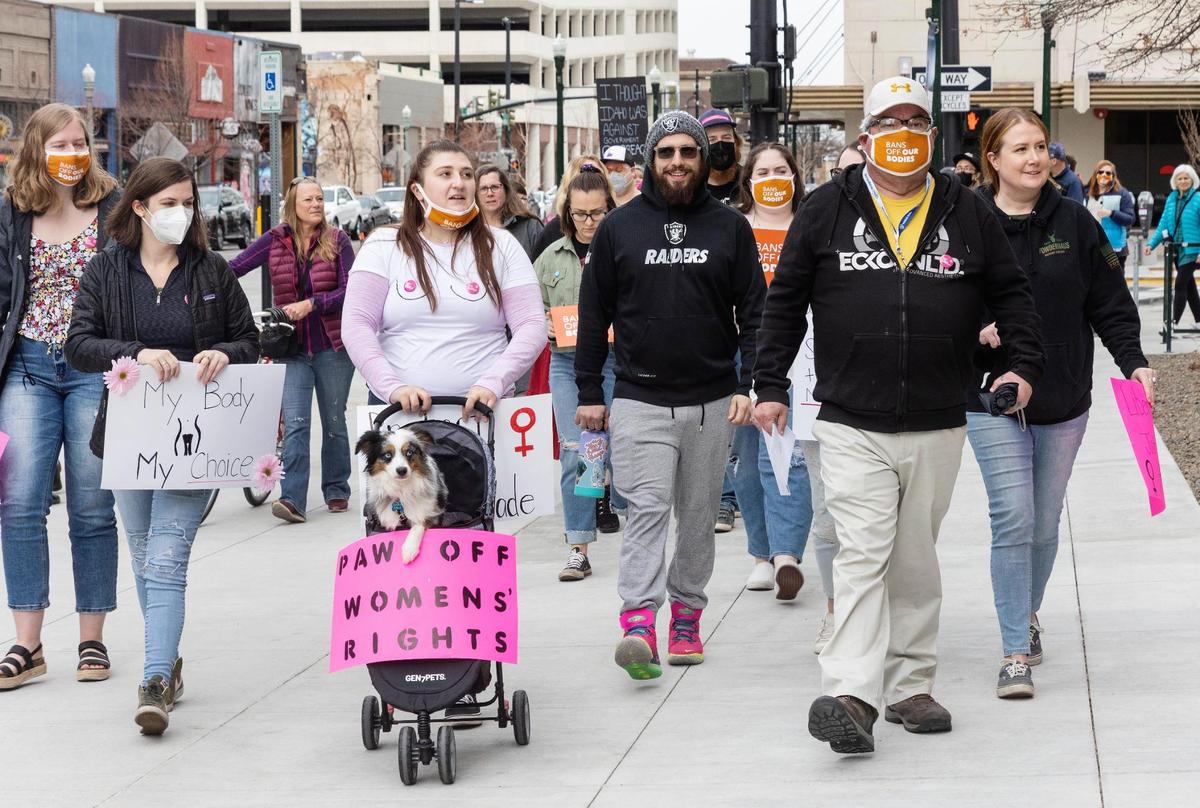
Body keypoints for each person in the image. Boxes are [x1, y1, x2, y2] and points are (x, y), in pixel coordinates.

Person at [754, 77, 1043, 754]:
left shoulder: (967, 210)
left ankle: (911, 685)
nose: (904, 131)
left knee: (914, 558)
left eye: (917, 121)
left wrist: (1021, 368)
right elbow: (785, 301)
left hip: (941, 417)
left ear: (934, 138)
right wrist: (768, 382)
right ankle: (852, 693)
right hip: (852, 418)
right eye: (891, 121)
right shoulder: (826, 208)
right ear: (866, 137)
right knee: (861, 554)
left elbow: (1013, 294)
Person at [342, 140, 545, 721]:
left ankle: (470, 666)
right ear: (417, 188)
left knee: (468, 541)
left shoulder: (501, 246)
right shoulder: (385, 247)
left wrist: (496, 378)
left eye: (465, 173)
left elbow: (530, 326)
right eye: (444, 174)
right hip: (403, 429)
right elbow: (357, 324)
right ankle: (409, 659)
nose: (458, 183)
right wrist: (389, 382)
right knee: (404, 545)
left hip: (474, 423)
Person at [65, 157, 259, 734]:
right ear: (141, 207)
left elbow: (248, 338)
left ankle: (152, 679)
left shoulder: (210, 272)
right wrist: (132, 352)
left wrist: (225, 353)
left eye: (187, 202)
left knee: (168, 556)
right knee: (145, 552)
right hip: (128, 439)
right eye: (169, 202)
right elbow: (78, 343)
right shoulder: (106, 271)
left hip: (191, 440)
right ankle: (167, 661)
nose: (182, 212)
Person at [575, 110, 765, 681]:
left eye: (688, 151)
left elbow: (755, 313)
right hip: (638, 399)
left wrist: (748, 383)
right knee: (647, 510)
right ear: (650, 161)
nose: (677, 162)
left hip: (712, 401)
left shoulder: (730, 228)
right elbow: (592, 315)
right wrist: (590, 390)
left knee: (700, 515)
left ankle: (685, 614)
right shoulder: (619, 228)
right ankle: (637, 620)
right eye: (666, 152)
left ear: (703, 157)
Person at [972, 108, 1153, 699]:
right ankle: (1014, 652)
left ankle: (1026, 612)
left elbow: (1110, 304)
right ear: (991, 159)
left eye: (1040, 146)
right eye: (1018, 148)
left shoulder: (1074, 222)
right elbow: (937, 296)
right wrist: (975, 327)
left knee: (1045, 524)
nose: (1032, 158)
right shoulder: (967, 223)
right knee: (1014, 518)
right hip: (989, 398)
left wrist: (1135, 363)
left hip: (1064, 397)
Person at [0, 103, 121, 690]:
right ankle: (27, 643)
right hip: (27, 365)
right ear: (36, 150)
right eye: (60, 146)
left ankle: (92, 638)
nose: (72, 155)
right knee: (20, 501)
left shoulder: (114, 206)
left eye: (81, 144)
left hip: (92, 369)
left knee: (91, 505)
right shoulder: (13, 211)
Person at [229, 177, 355, 524]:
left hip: (333, 346)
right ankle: (293, 499)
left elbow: (350, 289)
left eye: (319, 199)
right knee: (297, 424)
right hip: (291, 347)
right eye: (309, 200)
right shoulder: (275, 240)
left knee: (333, 422)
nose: (316, 204)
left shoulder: (337, 241)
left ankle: (336, 489)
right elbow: (234, 268)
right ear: (292, 206)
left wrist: (313, 304)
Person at [535, 169, 627, 581]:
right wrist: (543, 323)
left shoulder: (624, 248)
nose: (589, 223)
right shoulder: (551, 256)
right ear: (567, 214)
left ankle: (631, 527)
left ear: (610, 208)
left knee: (615, 448)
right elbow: (525, 306)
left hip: (614, 359)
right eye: (580, 215)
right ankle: (578, 545)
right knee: (579, 449)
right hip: (566, 361)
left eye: (597, 214)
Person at [734, 142, 811, 600]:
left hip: (799, 359)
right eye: (762, 172)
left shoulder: (810, 226)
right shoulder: (736, 229)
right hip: (741, 358)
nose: (773, 179)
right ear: (749, 182)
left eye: (781, 170)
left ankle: (786, 556)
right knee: (746, 465)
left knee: (786, 457)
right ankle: (760, 555)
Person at [1146, 163, 1200, 325]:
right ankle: (1199, 319)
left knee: (1180, 284)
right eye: (1180, 178)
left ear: (1192, 180)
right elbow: (1163, 224)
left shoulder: (1198, 199)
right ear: (1175, 181)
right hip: (1176, 250)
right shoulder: (1171, 199)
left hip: (1192, 250)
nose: (1183, 181)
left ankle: (1173, 323)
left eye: (1186, 178)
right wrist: (1151, 244)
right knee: (1189, 286)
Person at [530, 154, 608, 261]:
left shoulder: (618, 228)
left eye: (597, 176)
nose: (589, 181)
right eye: (580, 214)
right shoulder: (553, 231)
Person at [477, 164, 544, 259]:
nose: (490, 193)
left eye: (495, 187)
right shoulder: (468, 231)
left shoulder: (530, 226)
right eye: (483, 188)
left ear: (506, 190)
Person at [1086, 159, 1136, 270]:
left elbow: (1130, 219)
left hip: (1113, 248)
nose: (1104, 175)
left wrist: (1111, 213)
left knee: (1115, 283)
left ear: (1113, 176)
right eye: (1101, 172)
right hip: (1092, 247)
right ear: (1096, 174)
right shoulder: (1087, 194)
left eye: (1108, 173)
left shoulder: (1122, 193)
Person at [699, 109, 743, 205]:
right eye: (712, 139)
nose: (720, 145)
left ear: (736, 142)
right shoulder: (692, 187)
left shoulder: (748, 182)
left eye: (726, 137)